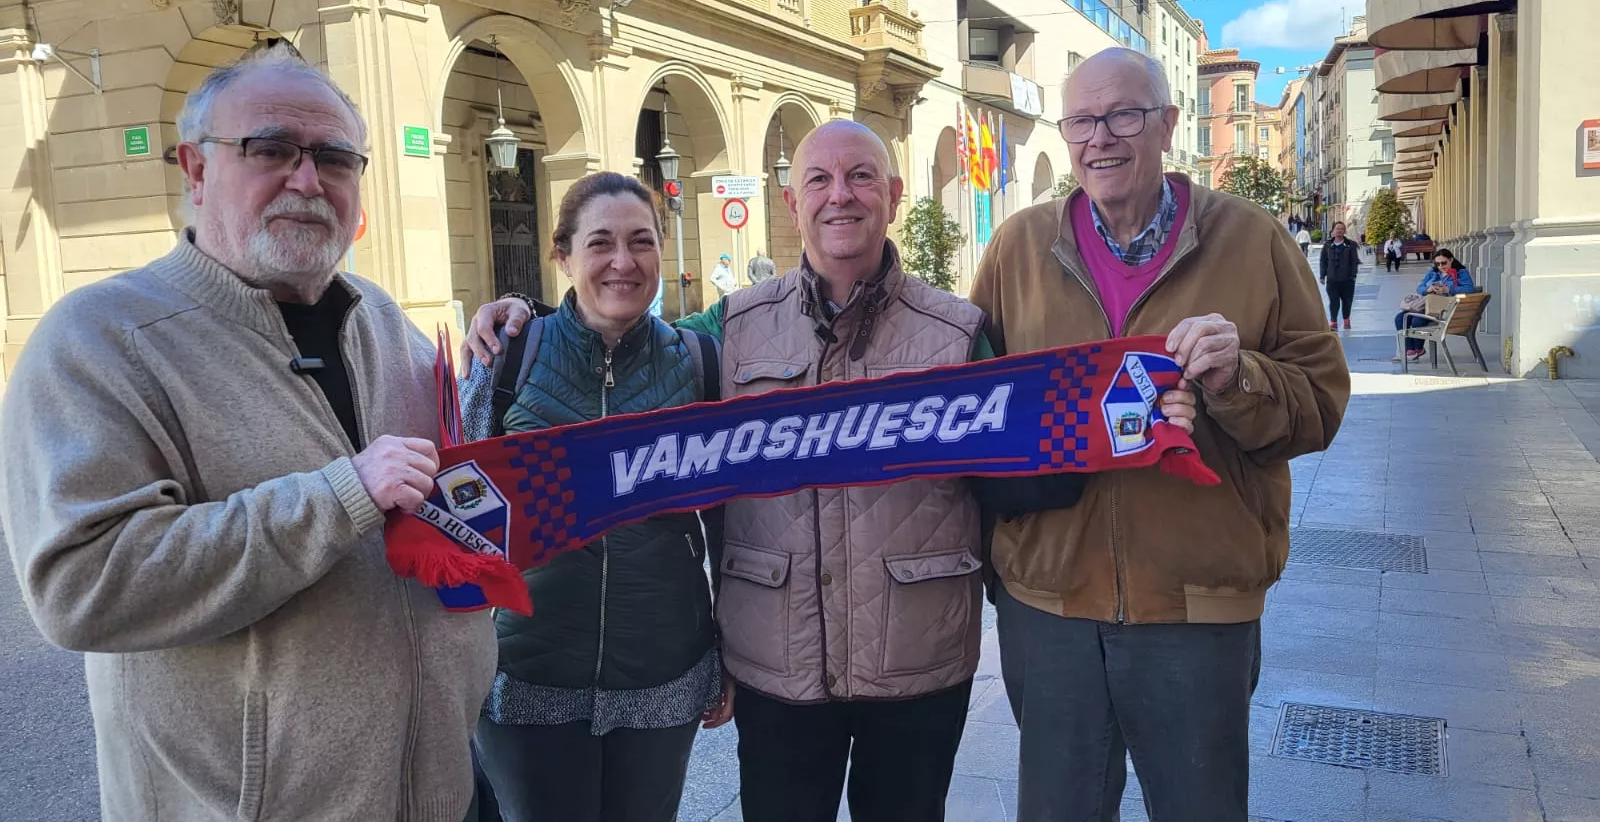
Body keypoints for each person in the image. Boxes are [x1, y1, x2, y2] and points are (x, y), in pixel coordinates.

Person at [465, 120, 1202, 822]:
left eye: (859, 177)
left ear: (893, 192)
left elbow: (1022, 456)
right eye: (818, 178)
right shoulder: (730, 329)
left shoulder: (959, 330)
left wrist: (1137, 413)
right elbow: (625, 345)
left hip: (914, 659)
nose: (839, 194)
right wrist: (528, 316)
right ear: (793, 202)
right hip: (778, 663)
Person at [0, 46, 495, 820]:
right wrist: (339, 498)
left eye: (335, 157)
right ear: (195, 170)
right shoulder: (99, 339)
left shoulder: (389, 326)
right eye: (270, 149)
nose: (306, 179)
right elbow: (82, 587)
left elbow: (448, 506)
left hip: (440, 789)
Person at [970, 47, 1349, 821]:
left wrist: (1234, 379)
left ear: (1169, 124)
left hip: (1197, 605)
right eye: (1082, 120)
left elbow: (1320, 402)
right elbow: (978, 406)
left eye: (1124, 115)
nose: (1100, 138)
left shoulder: (1251, 239)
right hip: (1050, 605)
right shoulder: (1017, 246)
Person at [460, 172, 731, 822]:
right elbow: (459, 517)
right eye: (600, 242)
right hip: (526, 674)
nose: (623, 261)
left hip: (662, 669)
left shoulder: (700, 363)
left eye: (641, 242)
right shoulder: (507, 358)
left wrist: (729, 646)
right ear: (563, 255)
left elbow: (727, 523)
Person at [1394, 248, 1476, 361]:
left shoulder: (1461, 273)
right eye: (1438, 263)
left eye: (1444, 263)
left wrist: (1448, 289)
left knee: (1417, 321)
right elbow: (1420, 288)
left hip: (1445, 308)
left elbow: (1469, 289)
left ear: (1451, 260)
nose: (1441, 266)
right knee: (1400, 318)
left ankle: (1418, 349)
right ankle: (1410, 350)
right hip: (1429, 304)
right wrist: (1429, 289)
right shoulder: (1433, 272)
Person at [1319, 221, 1360, 330]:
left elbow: (1354, 261)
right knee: (1333, 301)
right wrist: (1322, 275)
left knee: (1347, 301)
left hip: (1347, 280)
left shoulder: (1350, 245)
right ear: (1333, 230)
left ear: (1344, 231)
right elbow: (1323, 261)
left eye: (1342, 229)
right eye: (1337, 228)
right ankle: (1333, 322)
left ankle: (1346, 320)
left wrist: (1353, 275)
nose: (1339, 231)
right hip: (1332, 280)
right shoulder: (1327, 245)